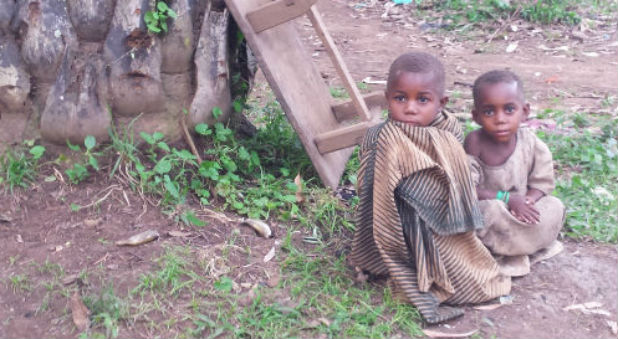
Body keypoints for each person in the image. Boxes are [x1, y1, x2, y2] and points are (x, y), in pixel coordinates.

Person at [349, 52, 511, 324]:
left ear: (441, 103)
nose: (410, 108)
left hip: (445, 224)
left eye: (422, 100)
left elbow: (457, 176)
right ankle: (404, 262)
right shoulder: (381, 136)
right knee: (405, 260)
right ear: (387, 97)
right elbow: (367, 184)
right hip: (397, 222)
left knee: (471, 275)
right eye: (400, 98)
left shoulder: (449, 130)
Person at [464, 70, 565, 277]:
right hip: (497, 212)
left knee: (555, 206)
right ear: (476, 116)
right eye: (489, 112)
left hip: (522, 211)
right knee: (486, 212)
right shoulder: (475, 142)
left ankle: (515, 246)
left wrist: (528, 201)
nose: (500, 119)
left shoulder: (531, 142)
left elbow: (542, 183)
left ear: (525, 111)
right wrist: (507, 199)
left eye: (509, 109)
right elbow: (467, 189)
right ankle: (520, 246)